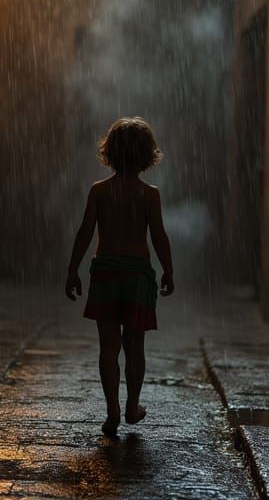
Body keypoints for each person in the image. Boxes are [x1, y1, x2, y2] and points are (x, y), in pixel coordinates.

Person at [64, 116, 175, 437]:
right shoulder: (149, 195)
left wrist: (73, 270)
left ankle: (112, 409)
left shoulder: (99, 192)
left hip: (106, 273)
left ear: (109, 153)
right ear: (146, 156)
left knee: (108, 346)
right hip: (138, 275)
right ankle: (132, 405)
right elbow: (159, 237)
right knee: (135, 344)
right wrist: (169, 269)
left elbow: (85, 233)